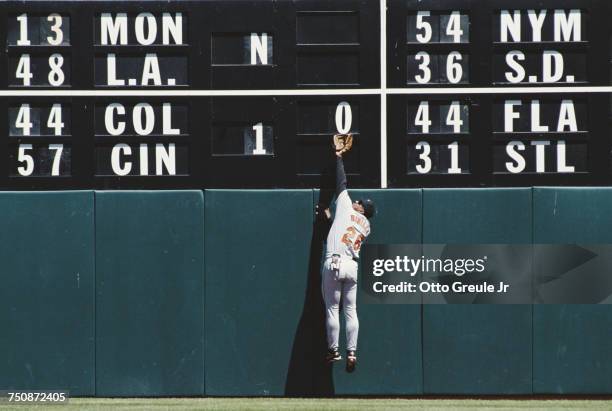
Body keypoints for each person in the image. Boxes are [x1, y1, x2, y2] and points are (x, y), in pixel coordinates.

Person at [321, 139, 375, 373]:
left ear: (363, 209)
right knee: (351, 311)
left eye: (361, 203)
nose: (357, 201)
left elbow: (341, 181)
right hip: (352, 267)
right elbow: (342, 229)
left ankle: (334, 350)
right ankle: (352, 351)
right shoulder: (366, 225)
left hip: (333, 262)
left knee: (333, 309)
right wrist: (330, 220)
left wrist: (339, 156)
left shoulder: (345, 207)